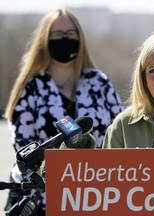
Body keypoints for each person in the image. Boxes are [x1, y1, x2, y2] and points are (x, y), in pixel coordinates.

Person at [3, 8, 124, 215]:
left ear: (80, 39)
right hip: (43, 201)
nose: (64, 39)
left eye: (70, 34)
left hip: (97, 196)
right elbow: (22, 147)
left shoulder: (100, 83)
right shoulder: (31, 88)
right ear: (45, 40)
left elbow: (119, 133)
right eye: (57, 35)